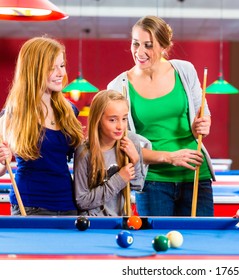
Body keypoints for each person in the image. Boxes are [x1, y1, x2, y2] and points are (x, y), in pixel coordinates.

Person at [107, 15, 215, 216]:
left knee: (201, 244)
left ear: (164, 47)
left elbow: (203, 114)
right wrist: (169, 157)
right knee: (155, 245)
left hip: (195, 175)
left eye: (148, 45)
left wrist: (203, 124)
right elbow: (123, 146)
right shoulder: (118, 86)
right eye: (135, 44)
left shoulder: (185, 70)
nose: (140, 52)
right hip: (152, 181)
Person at [0, 36, 84, 215]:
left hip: (68, 203)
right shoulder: (13, 114)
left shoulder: (69, 111)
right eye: (51, 68)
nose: (60, 73)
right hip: (29, 205)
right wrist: (2, 159)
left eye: (61, 65)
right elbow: (0, 168)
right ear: (34, 70)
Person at [73, 90, 149, 216]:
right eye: (113, 120)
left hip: (121, 220)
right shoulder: (84, 152)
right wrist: (119, 179)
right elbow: (82, 201)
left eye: (124, 118)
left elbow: (137, 186)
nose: (120, 126)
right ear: (98, 120)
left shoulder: (130, 141)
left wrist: (135, 160)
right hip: (93, 223)